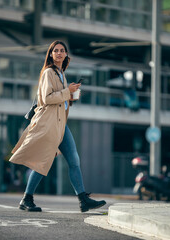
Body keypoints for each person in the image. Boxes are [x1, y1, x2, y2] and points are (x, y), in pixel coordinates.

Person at [9, 40, 106, 212]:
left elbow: (60, 100)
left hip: (61, 124)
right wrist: (67, 91)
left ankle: (83, 200)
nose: (59, 53)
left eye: (62, 50)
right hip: (49, 124)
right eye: (56, 51)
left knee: (74, 160)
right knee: (43, 161)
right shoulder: (48, 72)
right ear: (51, 54)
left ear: (66, 54)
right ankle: (26, 198)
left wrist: (71, 96)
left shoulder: (61, 73)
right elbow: (47, 99)